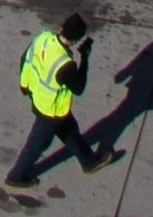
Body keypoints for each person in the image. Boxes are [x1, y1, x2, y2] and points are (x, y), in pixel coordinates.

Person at [13, 12, 115, 182]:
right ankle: (16, 176)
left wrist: (25, 86)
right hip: (50, 110)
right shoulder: (65, 65)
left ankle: (88, 161)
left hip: (39, 97)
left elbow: (26, 58)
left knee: (69, 129)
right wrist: (85, 59)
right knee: (37, 144)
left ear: (61, 28)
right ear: (76, 40)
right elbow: (79, 87)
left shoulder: (43, 38)